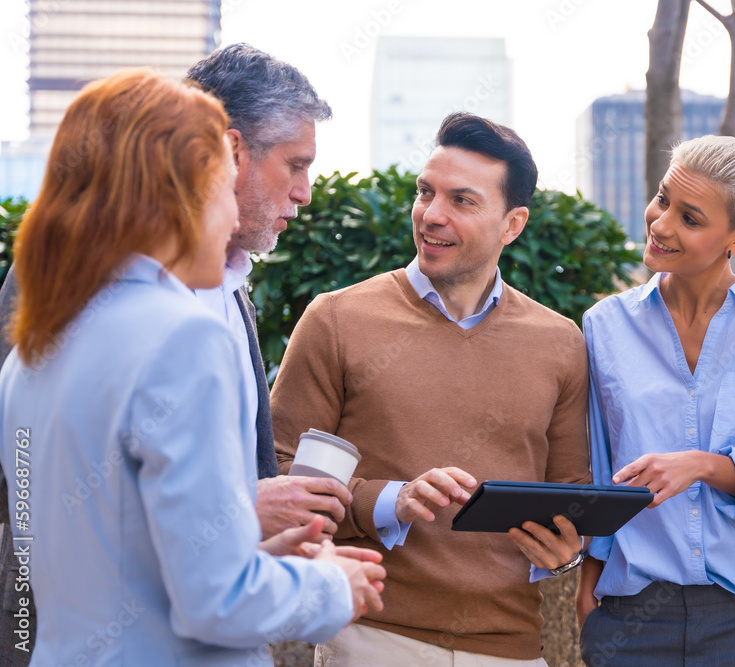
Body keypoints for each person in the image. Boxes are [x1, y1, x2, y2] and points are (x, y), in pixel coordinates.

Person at [0, 69, 385, 666]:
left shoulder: (32, 350)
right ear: (179, 190)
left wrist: (241, 546)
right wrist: (333, 586)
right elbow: (215, 602)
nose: (232, 217)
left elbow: (98, 551)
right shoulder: (183, 337)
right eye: (222, 185)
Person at [269, 112, 591, 666]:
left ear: (512, 225)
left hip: (513, 651)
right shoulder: (337, 319)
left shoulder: (561, 343)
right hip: (372, 637)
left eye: (462, 201)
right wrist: (394, 499)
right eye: (425, 193)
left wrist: (564, 551)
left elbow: (570, 493)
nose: (431, 215)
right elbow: (278, 478)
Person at [576, 135, 735, 666]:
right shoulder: (604, 327)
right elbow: (598, 470)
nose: (660, 224)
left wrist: (705, 466)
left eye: (689, 218)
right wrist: (586, 593)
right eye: (663, 199)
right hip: (629, 619)